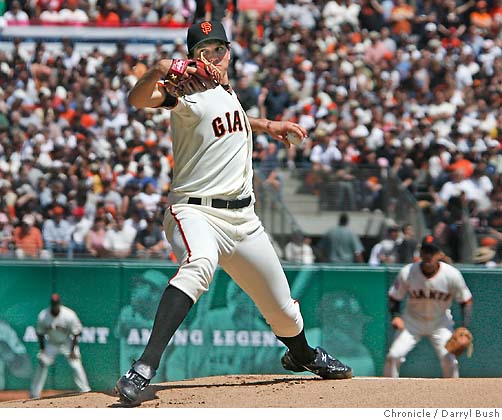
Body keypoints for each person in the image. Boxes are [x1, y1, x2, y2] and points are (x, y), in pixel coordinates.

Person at [115, 20, 352, 405]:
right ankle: (144, 367)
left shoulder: (225, 91)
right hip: (195, 211)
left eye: (219, 48)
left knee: (284, 312)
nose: (214, 56)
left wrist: (267, 124)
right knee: (200, 263)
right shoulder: (184, 91)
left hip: (243, 220)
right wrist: (161, 70)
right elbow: (139, 100)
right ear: (192, 57)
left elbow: (229, 119)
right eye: (204, 50)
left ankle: (304, 355)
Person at [383, 236, 473, 378]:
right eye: (426, 251)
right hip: (411, 322)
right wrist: (395, 316)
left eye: (433, 251)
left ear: (440, 254)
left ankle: (453, 396)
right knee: (393, 356)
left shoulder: (452, 275)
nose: (429, 255)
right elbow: (394, 297)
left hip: (440, 323)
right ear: (420, 253)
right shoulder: (408, 272)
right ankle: (387, 394)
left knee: (450, 360)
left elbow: (466, 301)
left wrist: (464, 327)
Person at [30, 294, 91, 398]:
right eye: (53, 304)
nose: (55, 306)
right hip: (51, 343)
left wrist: (72, 351)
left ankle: (86, 391)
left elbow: (76, 333)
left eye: (56, 304)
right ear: (51, 304)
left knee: (76, 364)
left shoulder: (69, 315)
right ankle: (34, 394)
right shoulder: (43, 315)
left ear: (59, 304)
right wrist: (43, 350)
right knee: (42, 362)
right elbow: (40, 333)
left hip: (67, 343)